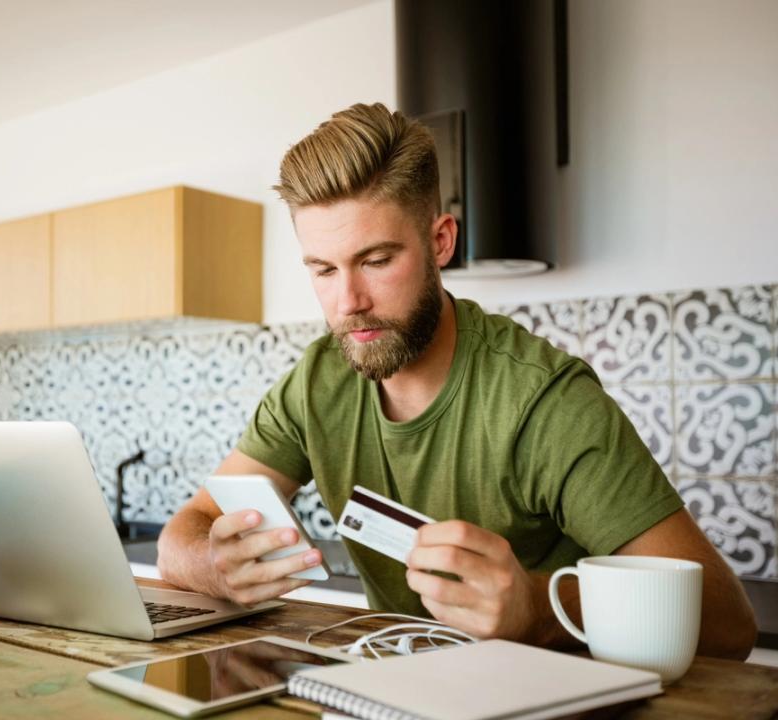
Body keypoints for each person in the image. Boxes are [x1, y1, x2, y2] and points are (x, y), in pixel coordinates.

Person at [156, 102, 757, 658]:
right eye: (323, 270)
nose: (348, 302)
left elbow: (729, 623)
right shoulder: (316, 383)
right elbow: (184, 533)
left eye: (376, 260)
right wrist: (214, 564)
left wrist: (540, 608)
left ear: (440, 241)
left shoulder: (544, 401)